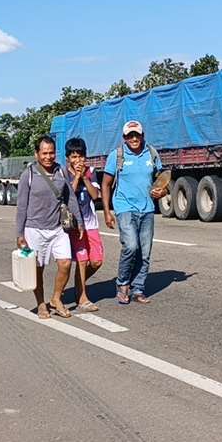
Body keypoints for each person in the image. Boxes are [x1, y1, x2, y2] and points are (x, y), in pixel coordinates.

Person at [16, 135, 83, 319]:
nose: (48, 157)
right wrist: (20, 234)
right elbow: (21, 206)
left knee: (65, 263)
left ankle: (55, 298)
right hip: (34, 229)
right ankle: (40, 304)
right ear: (37, 154)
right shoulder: (28, 175)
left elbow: (70, 197)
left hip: (57, 228)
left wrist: (80, 222)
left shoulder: (61, 171)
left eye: (51, 152)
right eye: (44, 153)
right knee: (37, 268)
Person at [101, 120, 167, 305]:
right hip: (125, 208)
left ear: (143, 135)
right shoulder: (117, 155)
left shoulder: (151, 154)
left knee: (144, 252)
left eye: (137, 134)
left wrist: (162, 192)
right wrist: (107, 212)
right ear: (124, 138)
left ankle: (138, 289)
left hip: (147, 209)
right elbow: (106, 184)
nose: (134, 138)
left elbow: (163, 180)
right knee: (131, 246)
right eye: (130, 135)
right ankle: (122, 285)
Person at [65, 137, 104, 313]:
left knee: (96, 261)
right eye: (73, 157)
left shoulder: (91, 171)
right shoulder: (63, 173)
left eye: (80, 156)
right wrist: (76, 177)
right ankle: (82, 298)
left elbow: (96, 195)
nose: (77, 160)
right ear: (68, 158)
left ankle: (78, 283)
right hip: (75, 225)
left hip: (91, 223)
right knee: (82, 260)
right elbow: (68, 196)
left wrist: (85, 178)